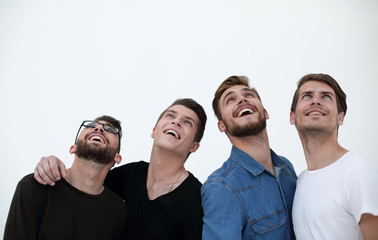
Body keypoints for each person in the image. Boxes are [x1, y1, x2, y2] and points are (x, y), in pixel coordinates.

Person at [33, 98, 207, 240]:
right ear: (154, 130)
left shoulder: (196, 198)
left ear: (194, 146)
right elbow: (86, 178)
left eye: (187, 122)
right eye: (171, 115)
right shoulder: (129, 175)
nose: (176, 122)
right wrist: (51, 163)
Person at [201, 75, 297, 239]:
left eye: (248, 95)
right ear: (222, 125)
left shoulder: (286, 168)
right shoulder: (221, 187)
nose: (242, 100)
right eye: (230, 100)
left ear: (265, 112)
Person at [4, 116, 127, 240]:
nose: (99, 128)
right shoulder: (35, 187)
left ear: (117, 158)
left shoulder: (118, 211)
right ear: (73, 148)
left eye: (110, 129)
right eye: (91, 125)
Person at [290, 73, 378, 240]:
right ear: (292, 116)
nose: (316, 101)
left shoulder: (359, 173)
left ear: (341, 117)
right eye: (307, 96)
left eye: (326, 97)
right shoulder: (300, 182)